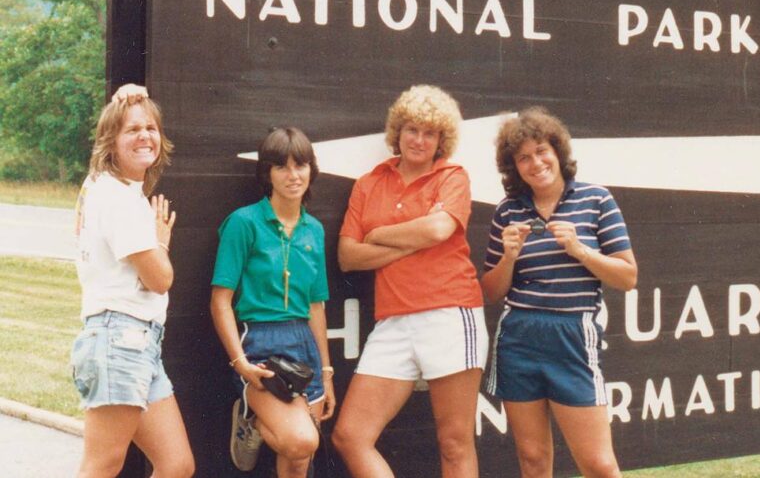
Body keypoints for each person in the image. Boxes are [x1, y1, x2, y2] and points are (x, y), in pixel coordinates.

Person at [332, 85, 487, 478]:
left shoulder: (452, 176)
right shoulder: (369, 182)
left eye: (430, 133)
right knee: (350, 436)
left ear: (441, 140)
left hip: (450, 314)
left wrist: (380, 233)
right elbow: (348, 256)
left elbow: (438, 229)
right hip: (393, 322)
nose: (419, 140)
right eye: (412, 130)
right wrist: (411, 242)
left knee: (454, 443)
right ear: (397, 132)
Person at [481, 108, 638, 478]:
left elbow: (628, 276)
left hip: (572, 334)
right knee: (533, 461)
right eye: (523, 158)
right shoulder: (508, 211)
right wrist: (508, 257)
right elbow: (490, 291)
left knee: (598, 464)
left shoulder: (596, 199)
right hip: (518, 336)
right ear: (513, 167)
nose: (535, 163)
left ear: (558, 151)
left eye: (541, 151)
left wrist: (582, 252)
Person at [71, 86, 195, 478]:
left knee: (176, 464)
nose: (145, 136)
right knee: (102, 466)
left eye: (151, 128)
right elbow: (160, 279)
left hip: (139, 344)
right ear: (111, 142)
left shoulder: (108, 188)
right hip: (118, 339)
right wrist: (160, 242)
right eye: (132, 130)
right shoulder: (118, 198)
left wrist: (126, 94)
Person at [210, 127, 335, 477]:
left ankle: (259, 421)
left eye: (301, 165)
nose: (293, 176)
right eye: (282, 167)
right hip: (260, 345)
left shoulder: (314, 230)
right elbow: (220, 300)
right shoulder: (244, 223)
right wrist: (240, 363)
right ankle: (250, 417)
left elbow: (315, 306)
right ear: (267, 173)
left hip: (304, 347)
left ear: (312, 169)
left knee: (298, 463)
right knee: (302, 440)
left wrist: (326, 373)